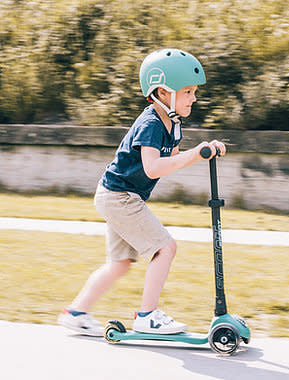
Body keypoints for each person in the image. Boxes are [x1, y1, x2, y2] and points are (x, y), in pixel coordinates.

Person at [58, 48, 226, 336]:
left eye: (194, 92)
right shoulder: (150, 123)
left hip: (117, 195)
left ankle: (75, 313)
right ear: (163, 92)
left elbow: (170, 162)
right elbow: (152, 168)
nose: (194, 98)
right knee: (165, 247)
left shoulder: (173, 124)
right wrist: (196, 154)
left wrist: (203, 152)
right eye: (188, 92)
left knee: (120, 263)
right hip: (119, 196)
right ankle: (147, 316)